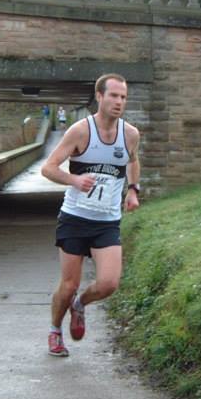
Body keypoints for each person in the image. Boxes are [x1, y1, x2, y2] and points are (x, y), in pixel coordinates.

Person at [40, 74, 141, 357]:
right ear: (99, 96)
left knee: (109, 283)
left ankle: (81, 305)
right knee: (69, 284)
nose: (119, 102)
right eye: (114, 96)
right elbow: (48, 168)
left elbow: (133, 161)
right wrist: (74, 180)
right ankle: (55, 331)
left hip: (107, 221)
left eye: (123, 97)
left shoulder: (130, 134)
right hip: (75, 218)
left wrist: (133, 190)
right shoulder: (80, 131)